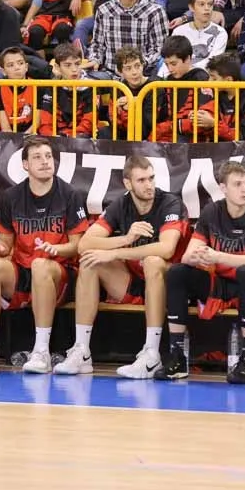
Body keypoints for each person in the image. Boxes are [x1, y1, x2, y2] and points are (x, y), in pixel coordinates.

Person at [0, 137, 88, 372]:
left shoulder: (70, 195)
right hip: (24, 272)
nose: (45, 162)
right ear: (25, 165)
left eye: (48, 156)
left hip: (59, 273)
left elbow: (77, 245)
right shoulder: (11, 197)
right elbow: (6, 242)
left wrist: (56, 250)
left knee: (40, 264)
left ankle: (41, 352)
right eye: (37, 157)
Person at [54, 156, 189, 377]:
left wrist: (115, 253)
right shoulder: (121, 204)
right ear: (128, 184)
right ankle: (82, 351)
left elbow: (166, 249)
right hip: (134, 283)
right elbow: (85, 243)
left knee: (154, 261)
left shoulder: (170, 202)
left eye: (151, 178)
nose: (149, 185)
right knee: (89, 260)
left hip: (169, 288)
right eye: (142, 180)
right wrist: (125, 238)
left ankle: (152, 354)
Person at [160, 161, 245, 383]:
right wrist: (197, 256)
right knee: (177, 272)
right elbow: (188, 256)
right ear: (223, 188)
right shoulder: (212, 211)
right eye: (238, 184)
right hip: (221, 283)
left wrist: (218, 257)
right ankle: (177, 356)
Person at [87, 0, 169, 78]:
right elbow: (97, 45)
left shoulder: (155, 11)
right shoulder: (104, 11)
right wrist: (95, 59)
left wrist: (136, 66)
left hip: (143, 75)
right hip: (110, 74)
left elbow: (159, 49)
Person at [153, 36, 213, 142]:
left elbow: (202, 119)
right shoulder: (168, 80)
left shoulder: (201, 78)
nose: (170, 69)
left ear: (188, 59)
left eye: (174, 64)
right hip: (171, 135)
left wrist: (170, 126)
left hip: (194, 139)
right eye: (166, 64)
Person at [159, 0, 228, 77]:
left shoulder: (221, 32)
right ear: (191, 7)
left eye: (210, 4)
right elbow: (170, 59)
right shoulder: (179, 31)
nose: (207, 8)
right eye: (202, 4)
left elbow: (212, 63)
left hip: (203, 79)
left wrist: (187, 69)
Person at [38, 43, 96, 138]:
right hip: (56, 138)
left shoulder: (91, 86)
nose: (74, 69)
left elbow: (89, 122)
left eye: (77, 64)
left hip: (81, 138)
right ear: (57, 67)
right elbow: (45, 121)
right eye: (67, 65)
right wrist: (52, 136)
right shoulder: (51, 86)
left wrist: (70, 137)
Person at [202, 52, 245, 141]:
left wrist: (214, 124)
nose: (209, 81)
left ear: (228, 80)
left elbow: (244, 136)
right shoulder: (216, 94)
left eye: (214, 78)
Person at [0, 47, 35, 132]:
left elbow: (37, 122)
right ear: (3, 71)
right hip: (9, 135)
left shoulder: (37, 86)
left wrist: (26, 135)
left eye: (20, 63)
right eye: (10, 65)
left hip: (31, 134)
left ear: (26, 67)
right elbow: (5, 127)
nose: (17, 67)